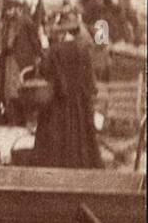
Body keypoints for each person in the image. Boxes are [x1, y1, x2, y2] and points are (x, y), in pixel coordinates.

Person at [33, 15, 102, 168]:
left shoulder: (54, 50)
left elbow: (44, 71)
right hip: (80, 103)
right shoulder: (83, 49)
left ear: (62, 32)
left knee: (58, 136)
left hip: (59, 102)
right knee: (81, 136)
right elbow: (90, 79)